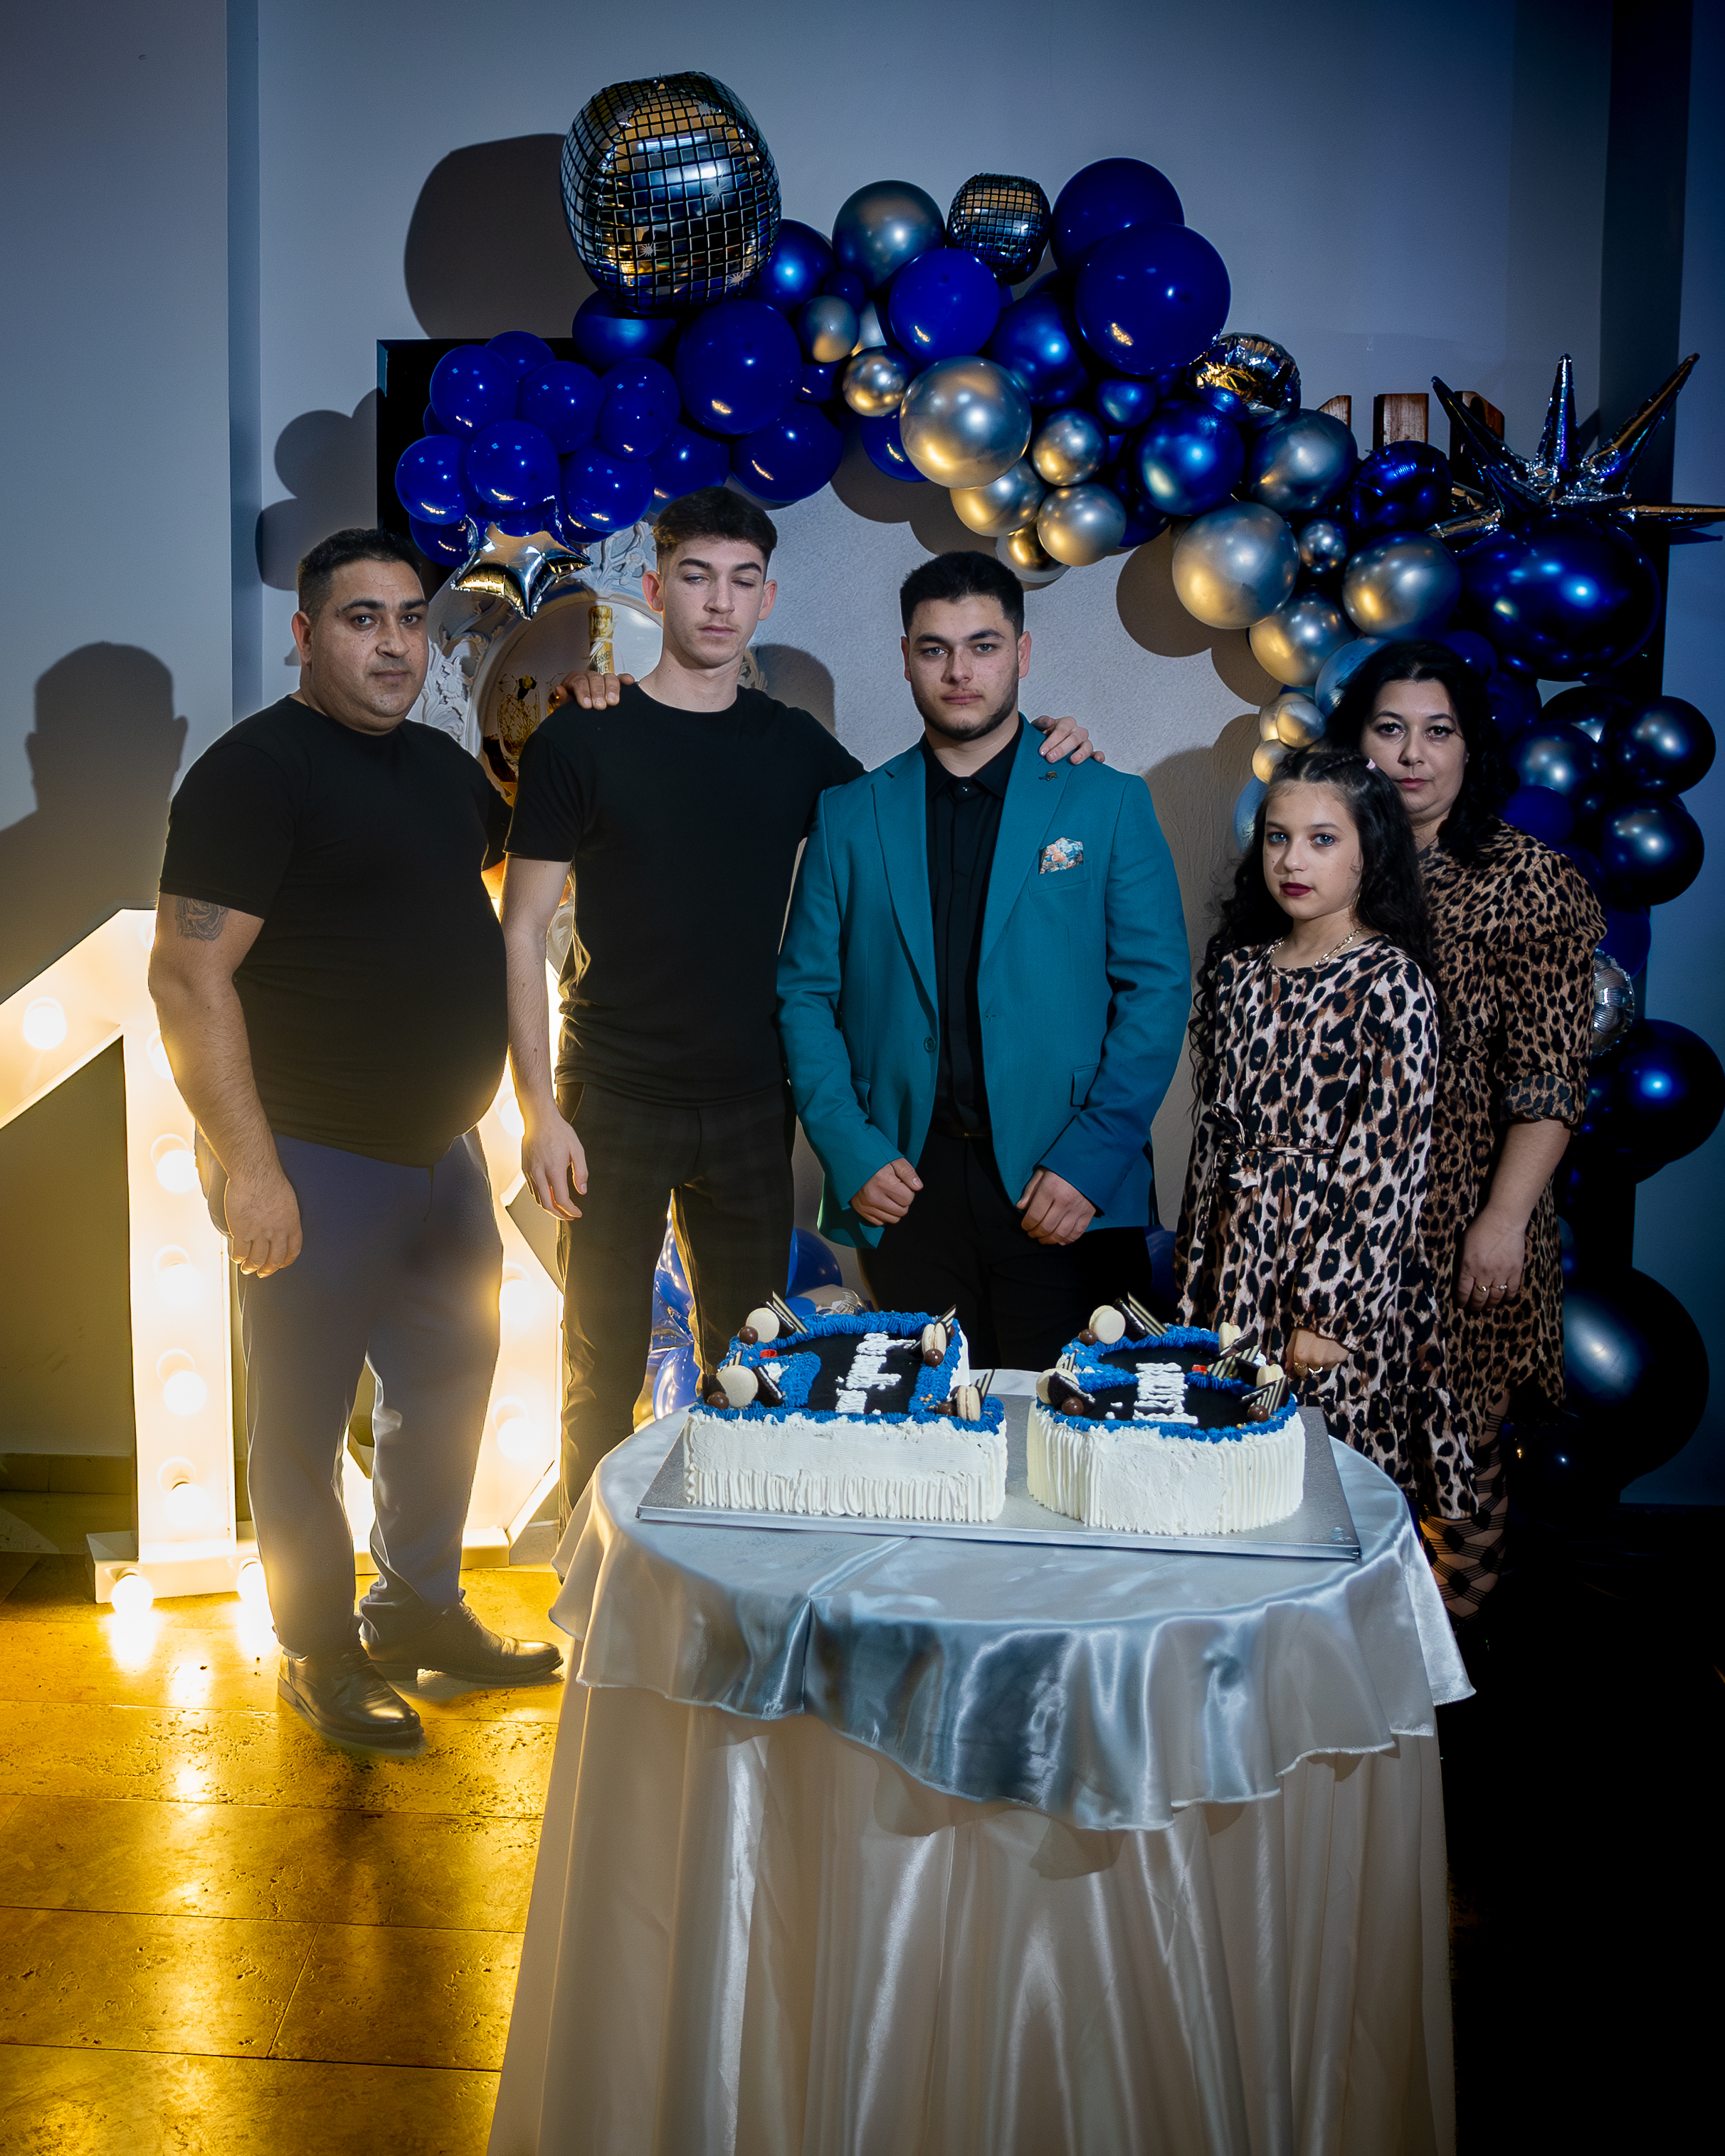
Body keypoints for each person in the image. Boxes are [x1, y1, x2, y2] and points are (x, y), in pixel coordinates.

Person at [502, 492, 1100, 1518]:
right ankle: (587, 1578)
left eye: (742, 581)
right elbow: (520, 931)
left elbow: (919, 798)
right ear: (654, 588)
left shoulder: (794, 748)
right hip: (611, 1095)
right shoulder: (582, 738)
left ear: (767, 598)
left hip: (750, 1097)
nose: (719, 602)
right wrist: (537, 1112)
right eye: (696, 577)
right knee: (598, 1363)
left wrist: (1042, 747)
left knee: (751, 1364)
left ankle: (732, 1570)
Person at [151, 527, 561, 1757]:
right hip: (312, 1158)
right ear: (305, 634)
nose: (392, 645)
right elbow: (186, 976)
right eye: (360, 618)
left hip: (441, 1153)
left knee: (444, 1395)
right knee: (301, 1425)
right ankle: (319, 1649)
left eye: (409, 619)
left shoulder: (440, 771)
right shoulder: (253, 772)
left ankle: (416, 1608)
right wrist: (252, 1169)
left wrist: (581, 713)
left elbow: (503, 876)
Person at [776, 549, 1190, 1370]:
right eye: (935, 649)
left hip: (1064, 1184)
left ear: (1022, 653)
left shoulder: (1107, 800)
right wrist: (850, 1149)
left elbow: (1156, 991)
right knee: (930, 1427)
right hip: (905, 1186)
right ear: (906, 658)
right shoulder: (850, 814)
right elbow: (805, 995)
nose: (959, 672)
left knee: (1069, 1431)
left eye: (984, 646)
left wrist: (1090, 1163)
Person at [1327, 641, 1605, 1618]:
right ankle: (1341, 1664)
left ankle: (1449, 1677)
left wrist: (1503, 1220)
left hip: (1461, 1223)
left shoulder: (1525, 880)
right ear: (1357, 743)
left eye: (1437, 731)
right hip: (1337, 1223)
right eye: (1390, 728)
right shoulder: (1324, 861)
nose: (1413, 754)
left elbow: (1548, 1081)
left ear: (1469, 746)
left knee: (1455, 1465)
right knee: (1335, 1457)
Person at [1176, 744, 1473, 1517]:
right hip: (1235, 1264)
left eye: (1322, 839)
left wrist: (1330, 1314)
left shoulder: (1391, 982)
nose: (1292, 859)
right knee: (1225, 1474)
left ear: (1371, 852)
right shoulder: (1240, 970)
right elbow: (1213, 1145)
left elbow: (1387, 1166)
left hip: (1331, 1274)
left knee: (1317, 1491)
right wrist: (1196, 1270)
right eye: (1277, 837)